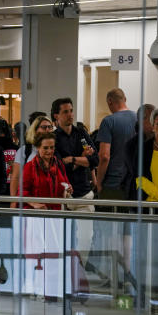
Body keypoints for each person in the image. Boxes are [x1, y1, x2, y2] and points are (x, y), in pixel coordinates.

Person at [21, 131, 72, 300]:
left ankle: (51, 290)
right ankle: (35, 288)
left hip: (55, 217)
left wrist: (68, 189)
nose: (49, 151)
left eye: (52, 147)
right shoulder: (29, 167)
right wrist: (34, 203)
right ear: (37, 148)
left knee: (53, 255)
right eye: (45, 148)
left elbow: (64, 183)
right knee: (36, 256)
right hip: (36, 218)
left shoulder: (58, 164)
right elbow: (23, 192)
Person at [51, 97, 97, 266]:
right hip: (63, 195)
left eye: (71, 110)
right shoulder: (53, 138)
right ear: (57, 116)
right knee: (62, 240)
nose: (70, 115)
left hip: (83, 193)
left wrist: (73, 160)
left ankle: (78, 272)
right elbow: (58, 165)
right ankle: (62, 274)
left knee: (86, 238)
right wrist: (81, 160)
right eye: (65, 112)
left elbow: (95, 160)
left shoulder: (81, 133)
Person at [96, 88, 137, 199]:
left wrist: (98, 183)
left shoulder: (108, 121)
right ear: (125, 99)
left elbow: (104, 156)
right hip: (135, 184)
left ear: (109, 101)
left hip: (113, 184)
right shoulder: (139, 119)